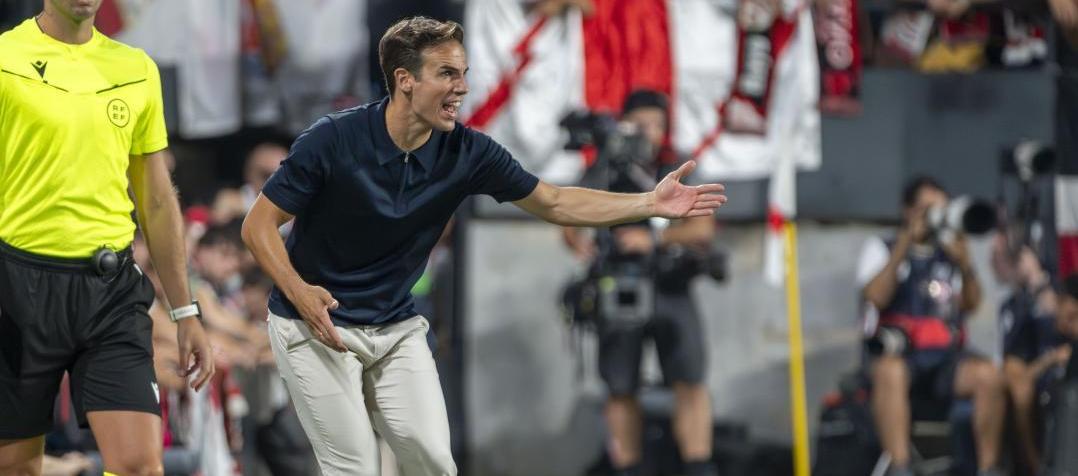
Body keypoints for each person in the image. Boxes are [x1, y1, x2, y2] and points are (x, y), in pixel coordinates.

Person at [241, 16, 727, 476]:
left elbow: (555, 202)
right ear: (405, 79)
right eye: (447, 73)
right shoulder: (332, 139)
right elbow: (258, 227)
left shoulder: (469, 152)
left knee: (434, 461)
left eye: (465, 73)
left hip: (393, 324)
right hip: (312, 322)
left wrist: (648, 202)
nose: (463, 87)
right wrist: (300, 293)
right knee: (356, 468)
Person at [0, 2, 215, 475]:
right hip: (18, 288)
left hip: (109, 291)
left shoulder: (136, 69)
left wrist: (185, 311)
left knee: (140, 466)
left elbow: (157, 201)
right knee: (16, 467)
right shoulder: (5, 58)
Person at [562, 90, 717, 476]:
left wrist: (655, 240)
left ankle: (698, 466)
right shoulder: (605, 169)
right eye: (639, 124)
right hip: (619, 287)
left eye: (656, 125)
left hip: (670, 285)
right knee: (620, 386)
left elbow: (703, 228)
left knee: (689, 379)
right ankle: (627, 468)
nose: (647, 132)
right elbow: (568, 217)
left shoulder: (677, 168)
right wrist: (583, 242)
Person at [855, 176, 1005, 476]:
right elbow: (875, 297)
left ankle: (989, 469)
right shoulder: (882, 247)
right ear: (908, 210)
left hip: (945, 359)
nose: (933, 217)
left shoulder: (948, 253)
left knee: (988, 374)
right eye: (926, 209)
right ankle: (900, 467)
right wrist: (903, 246)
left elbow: (971, 305)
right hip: (901, 356)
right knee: (889, 370)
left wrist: (965, 263)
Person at [991, 239, 1070, 474]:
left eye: (1010, 258)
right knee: (1018, 383)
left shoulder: (1060, 291)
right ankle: (1037, 467)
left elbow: (1064, 320)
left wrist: (1038, 280)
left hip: (1069, 372)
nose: (998, 263)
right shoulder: (1013, 306)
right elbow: (1012, 359)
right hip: (1039, 377)